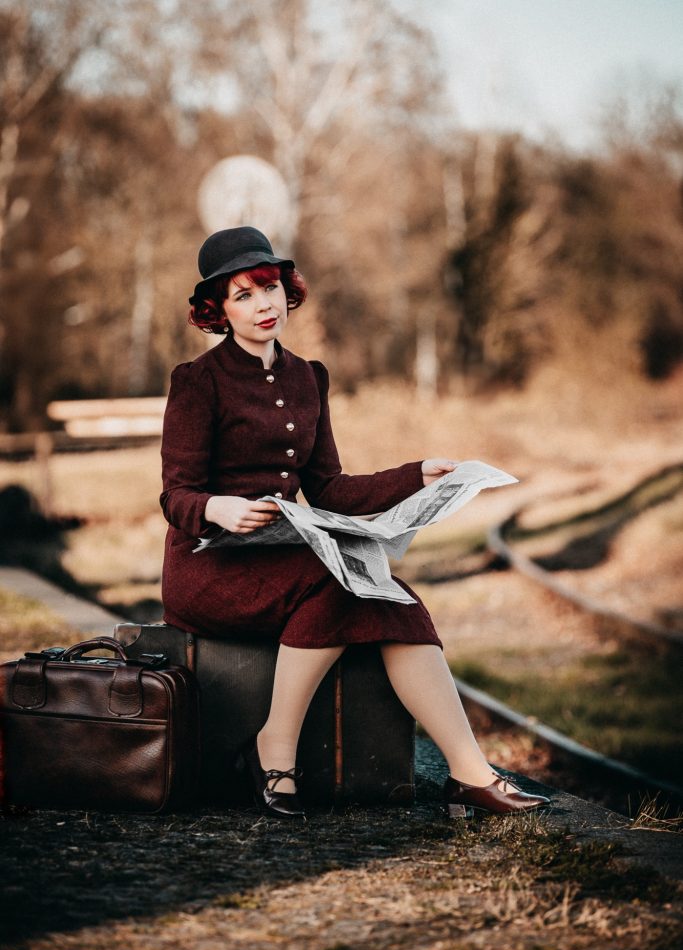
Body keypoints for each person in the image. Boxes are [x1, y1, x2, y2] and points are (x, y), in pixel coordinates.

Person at [160, 226, 550, 821]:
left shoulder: (307, 377)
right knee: (339, 579)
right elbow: (175, 495)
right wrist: (219, 509)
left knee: (389, 595)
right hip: (208, 568)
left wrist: (417, 475)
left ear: (287, 291)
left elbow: (332, 491)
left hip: (286, 562)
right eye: (243, 295)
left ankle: (470, 774)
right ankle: (277, 747)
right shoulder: (197, 381)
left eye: (270, 287)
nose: (264, 304)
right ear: (217, 309)